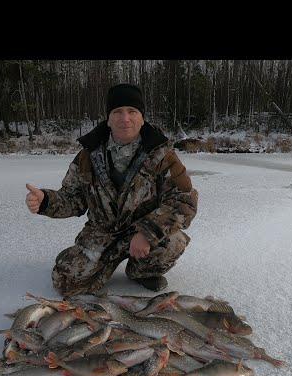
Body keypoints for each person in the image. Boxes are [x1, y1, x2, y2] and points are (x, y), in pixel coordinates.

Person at [25, 83, 198, 298]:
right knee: (65, 282)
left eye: (132, 111)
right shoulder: (88, 155)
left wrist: (147, 233)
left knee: (173, 242)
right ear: (108, 118)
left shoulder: (163, 155)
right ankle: (87, 258)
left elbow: (184, 201)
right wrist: (45, 201)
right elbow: (74, 198)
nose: (125, 118)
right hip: (102, 232)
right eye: (117, 112)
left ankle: (142, 272)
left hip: (140, 232)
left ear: (142, 117)